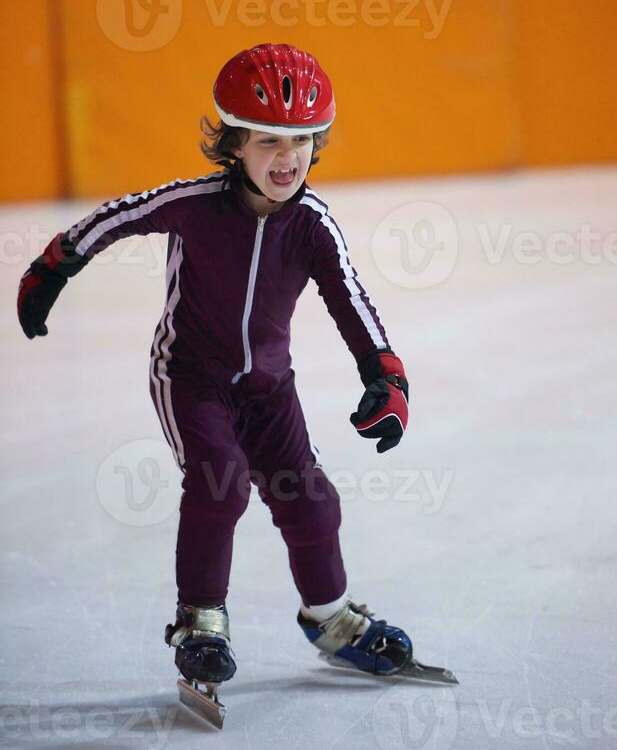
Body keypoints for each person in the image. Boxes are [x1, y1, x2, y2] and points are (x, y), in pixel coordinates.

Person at [17, 43, 412, 686]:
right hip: (191, 377)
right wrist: (55, 265)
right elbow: (118, 217)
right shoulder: (196, 203)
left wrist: (385, 375)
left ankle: (331, 617)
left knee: (310, 501)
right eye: (267, 142)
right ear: (232, 143)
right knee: (220, 480)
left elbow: (350, 297)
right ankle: (201, 620)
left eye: (302, 140)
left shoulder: (313, 224)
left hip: (268, 388)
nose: (288, 160)